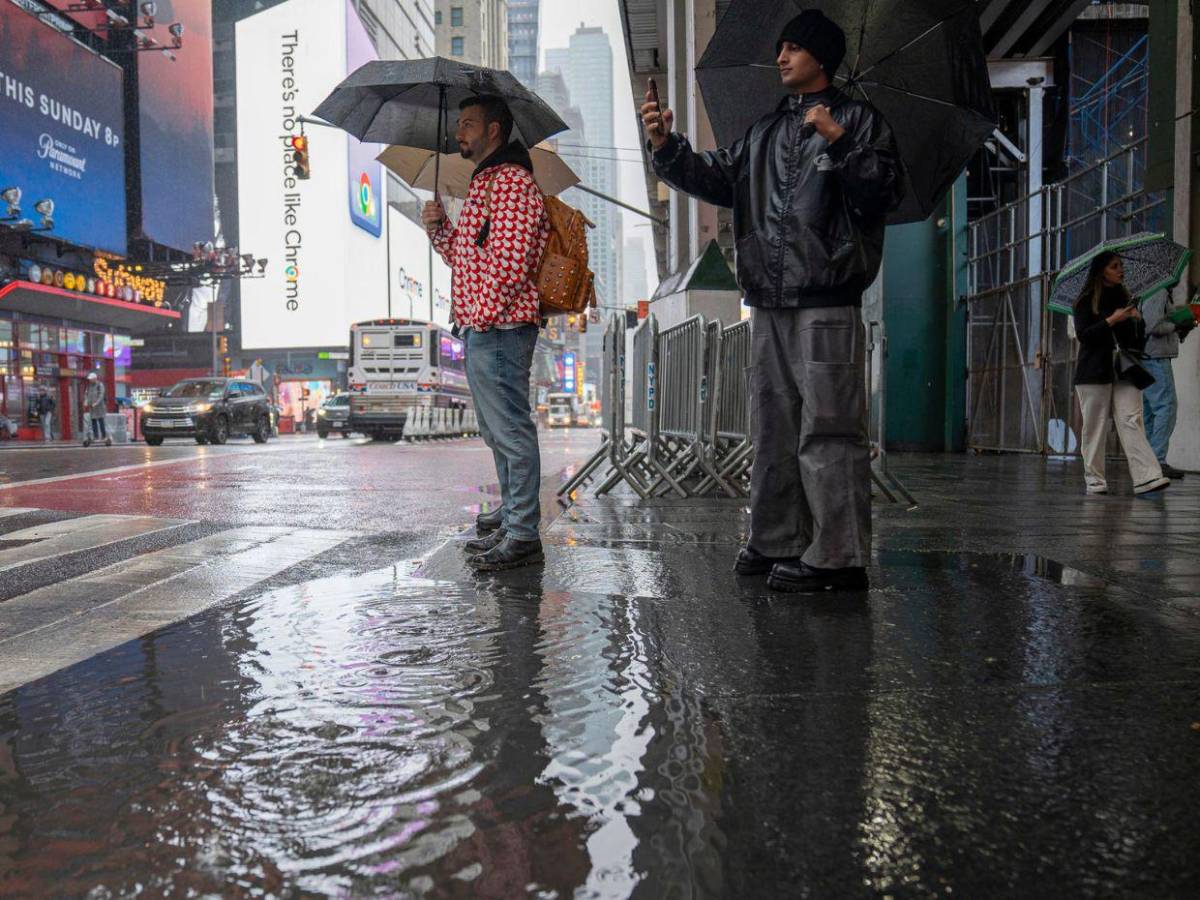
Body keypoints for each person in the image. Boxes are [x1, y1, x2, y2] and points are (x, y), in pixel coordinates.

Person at [641, 10, 905, 593]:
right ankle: (776, 538)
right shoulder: (765, 132)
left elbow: (884, 192)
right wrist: (665, 144)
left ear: (821, 57)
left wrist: (839, 141)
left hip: (827, 295)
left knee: (830, 427)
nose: (781, 57)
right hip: (769, 298)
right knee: (773, 426)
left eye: (793, 47)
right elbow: (716, 175)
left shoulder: (858, 121)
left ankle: (839, 555)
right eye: (781, 46)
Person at [422, 95, 550, 572]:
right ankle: (512, 515)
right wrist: (440, 231)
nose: (461, 132)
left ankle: (522, 532)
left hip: (500, 326)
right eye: (459, 123)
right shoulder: (484, 183)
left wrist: (483, 315)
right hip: (483, 324)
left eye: (469, 124)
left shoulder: (512, 183)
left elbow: (512, 266)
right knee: (497, 431)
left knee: (511, 430)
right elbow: (468, 259)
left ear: (495, 131)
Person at [1072, 252, 1169, 496]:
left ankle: (1148, 476)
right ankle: (1095, 480)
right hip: (1093, 371)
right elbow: (1084, 335)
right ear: (1102, 270)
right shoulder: (1084, 301)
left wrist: (1137, 321)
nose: (1120, 270)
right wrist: (1111, 320)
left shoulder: (1125, 298)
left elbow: (1135, 342)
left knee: (1131, 419)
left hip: (1124, 368)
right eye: (1115, 266)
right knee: (1095, 426)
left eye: (1121, 266)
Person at [1139, 288, 1190, 478]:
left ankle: (1149, 460)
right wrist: (1176, 325)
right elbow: (1153, 326)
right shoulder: (1157, 292)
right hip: (1156, 358)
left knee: (1151, 411)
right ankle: (1157, 459)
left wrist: (1180, 328)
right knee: (1166, 407)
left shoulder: (1153, 291)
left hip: (1149, 357)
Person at [84, 372, 109, 444]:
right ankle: (96, 436)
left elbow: (101, 395)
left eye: (91, 379)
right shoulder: (89, 386)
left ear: (95, 378)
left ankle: (104, 436)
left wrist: (96, 403)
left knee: (101, 421)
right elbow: (86, 394)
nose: (90, 380)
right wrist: (86, 401)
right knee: (93, 421)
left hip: (99, 407)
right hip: (92, 407)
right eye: (89, 379)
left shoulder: (100, 385)